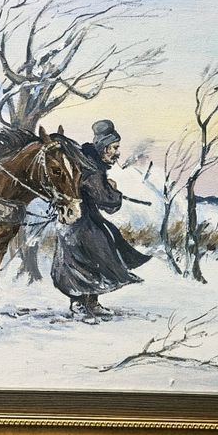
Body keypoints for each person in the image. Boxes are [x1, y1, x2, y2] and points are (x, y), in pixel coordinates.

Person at [51, 119, 152, 320]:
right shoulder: (93, 168)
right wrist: (114, 191)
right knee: (88, 260)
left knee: (91, 260)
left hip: (79, 220)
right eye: (114, 147)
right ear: (104, 147)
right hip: (79, 223)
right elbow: (105, 199)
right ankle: (81, 303)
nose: (117, 152)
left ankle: (89, 302)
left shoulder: (87, 161)